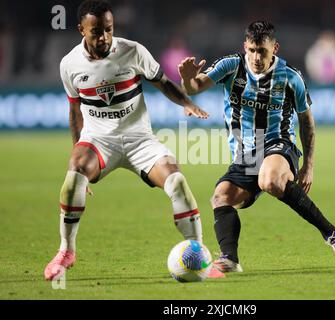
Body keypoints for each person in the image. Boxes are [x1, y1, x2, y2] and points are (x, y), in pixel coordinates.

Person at [44, 0, 224, 280]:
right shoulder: (69, 64)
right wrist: (75, 157)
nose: (104, 37)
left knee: (177, 181)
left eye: (108, 29)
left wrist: (186, 103)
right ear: (81, 29)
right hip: (99, 140)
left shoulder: (132, 51)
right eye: (96, 32)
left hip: (140, 140)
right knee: (73, 179)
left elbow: (162, 81)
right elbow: (75, 110)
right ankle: (66, 251)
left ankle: (199, 255)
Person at [178, 21, 335, 273]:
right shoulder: (231, 66)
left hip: (278, 143)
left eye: (263, 51)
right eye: (252, 50)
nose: (256, 57)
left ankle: (333, 234)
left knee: (270, 180)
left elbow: (307, 122)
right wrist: (187, 79)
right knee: (220, 197)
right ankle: (229, 258)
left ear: (275, 49)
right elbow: (195, 87)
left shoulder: (291, 77)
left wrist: (309, 166)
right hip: (246, 154)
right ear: (244, 47)